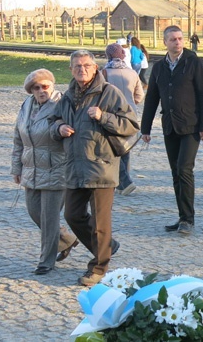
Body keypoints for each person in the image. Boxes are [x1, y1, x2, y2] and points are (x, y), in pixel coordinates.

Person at [49, 50, 139, 286]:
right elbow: (52, 121)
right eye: (77, 66)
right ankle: (106, 247)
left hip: (101, 166)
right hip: (74, 166)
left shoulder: (109, 93)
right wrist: (58, 128)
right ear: (71, 70)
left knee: (101, 222)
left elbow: (131, 125)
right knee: (72, 214)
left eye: (86, 65)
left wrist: (103, 117)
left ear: (95, 68)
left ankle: (99, 267)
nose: (82, 69)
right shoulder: (67, 96)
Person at [141, 25, 203, 235]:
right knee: (175, 172)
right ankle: (182, 217)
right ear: (165, 42)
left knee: (184, 168)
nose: (178, 42)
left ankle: (188, 219)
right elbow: (152, 99)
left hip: (191, 126)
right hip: (170, 126)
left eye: (180, 39)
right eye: (173, 39)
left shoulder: (194, 62)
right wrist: (145, 128)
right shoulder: (159, 67)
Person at [11, 69, 78, 275]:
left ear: (52, 86)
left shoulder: (62, 104)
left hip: (56, 167)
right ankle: (67, 240)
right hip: (31, 168)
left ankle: (46, 261)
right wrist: (17, 167)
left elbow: (69, 131)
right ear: (31, 90)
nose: (41, 91)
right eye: (36, 88)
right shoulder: (26, 105)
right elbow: (18, 138)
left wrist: (61, 130)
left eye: (45, 86)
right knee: (34, 212)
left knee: (49, 218)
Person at [102, 43, 145, 196]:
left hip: (111, 114)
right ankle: (124, 181)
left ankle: (123, 182)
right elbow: (139, 95)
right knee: (126, 147)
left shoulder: (104, 73)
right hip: (130, 114)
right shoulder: (132, 73)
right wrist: (130, 102)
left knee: (113, 147)